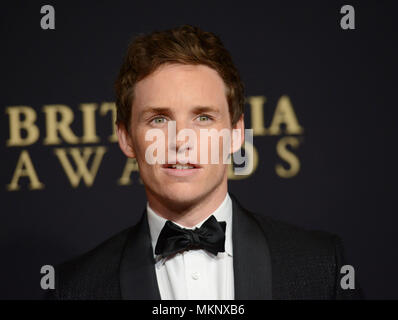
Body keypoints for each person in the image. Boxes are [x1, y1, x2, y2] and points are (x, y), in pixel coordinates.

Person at [50, 24, 361, 300]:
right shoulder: (75, 289)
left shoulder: (320, 266)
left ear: (237, 133)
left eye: (203, 117)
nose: (181, 139)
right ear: (126, 138)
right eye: (159, 119)